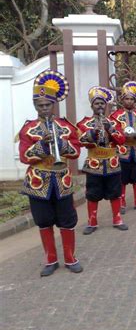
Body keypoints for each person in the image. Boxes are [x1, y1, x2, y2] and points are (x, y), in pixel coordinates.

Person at [19, 70, 83, 276]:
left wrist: (61, 144)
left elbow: (75, 152)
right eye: (40, 105)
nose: (44, 109)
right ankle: (51, 259)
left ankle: (71, 258)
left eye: (47, 105)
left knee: (67, 219)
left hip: (62, 180)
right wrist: (41, 145)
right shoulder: (28, 129)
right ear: (35, 106)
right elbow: (24, 156)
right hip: (38, 181)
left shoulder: (65, 127)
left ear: (53, 105)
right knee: (43, 219)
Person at [77, 86, 128, 235]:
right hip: (94, 163)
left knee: (115, 191)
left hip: (112, 162)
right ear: (91, 105)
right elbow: (80, 141)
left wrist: (110, 129)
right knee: (93, 192)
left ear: (106, 105)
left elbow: (122, 139)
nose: (99, 106)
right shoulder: (84, 123)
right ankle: (92, 221)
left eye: (102, 103)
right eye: (96, 103)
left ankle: (117, 219)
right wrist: (92, 132)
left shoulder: (113, 122)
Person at [111, 81, 136, 214]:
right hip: (123, 151)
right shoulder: (116, 116)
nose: (129, 101)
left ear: (135, 101)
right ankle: (121, 202)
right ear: (122, 100)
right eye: (126, 99)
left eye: (131, 99)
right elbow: (113, 133)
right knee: (122, 179)